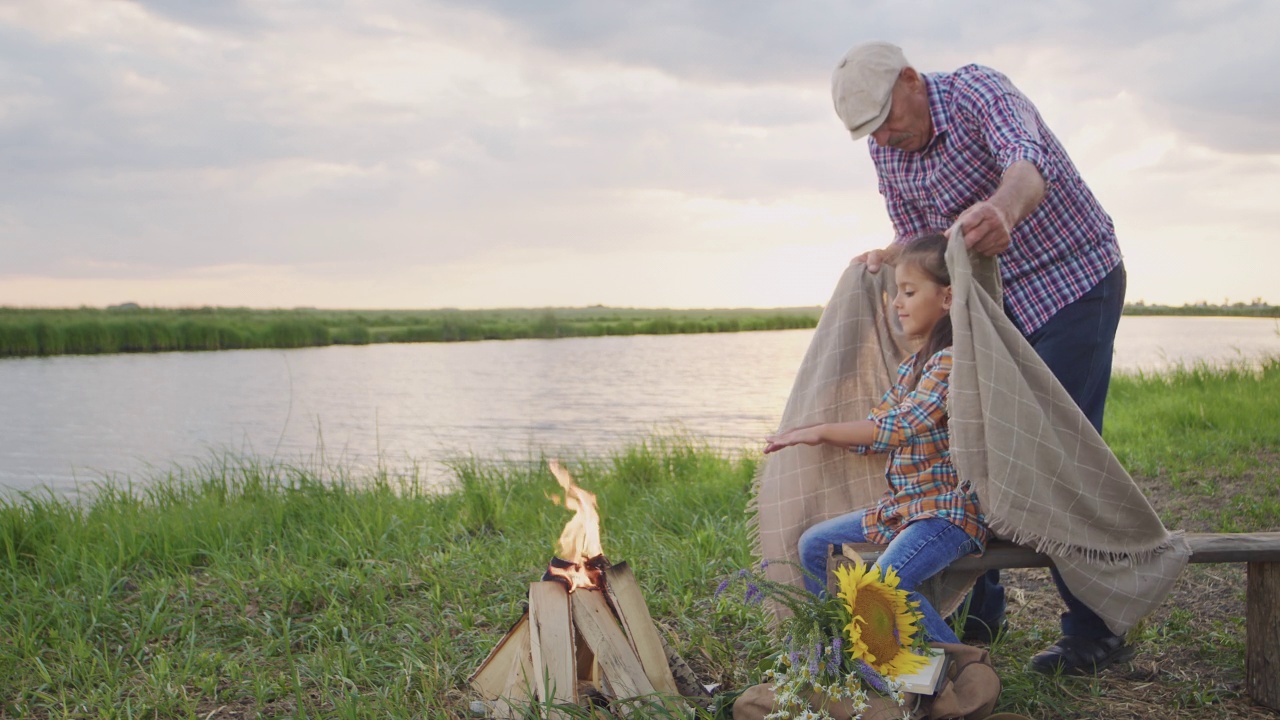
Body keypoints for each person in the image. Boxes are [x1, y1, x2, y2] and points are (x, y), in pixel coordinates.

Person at [829, 41, 1129, 675]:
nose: (884, 136)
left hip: (1072, 282)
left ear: (912, 79)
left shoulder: (974, 92)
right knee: (963, 444)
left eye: (887, 119)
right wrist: (891, 255)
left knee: (1056, 455)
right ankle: (977, 610)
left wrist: (1002, 209)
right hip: (987, 309)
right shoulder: (890, 150)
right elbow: (924, 243)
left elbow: (1028, 162)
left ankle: (1094, 632)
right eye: (870, 132)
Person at [765, 233, 987, 645]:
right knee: (815, 545)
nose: (897, 303)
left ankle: (960, 672)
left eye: (908, 291)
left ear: (947, 297)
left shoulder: (953, 360)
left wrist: (820, 431)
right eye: (894, 293)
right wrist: (810, 434)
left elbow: (901, 426)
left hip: (946, 514)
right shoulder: (912, 367)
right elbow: (877, 431)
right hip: (905, 508)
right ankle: (842, 651)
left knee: (882, 587)